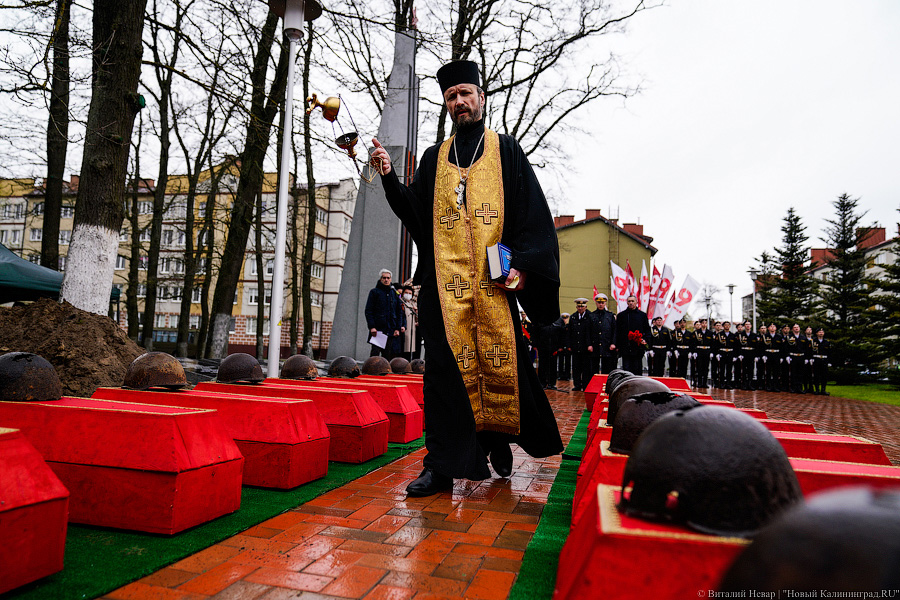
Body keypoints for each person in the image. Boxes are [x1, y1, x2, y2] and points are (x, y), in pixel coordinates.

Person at [371, 60, 563, 497]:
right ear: (446, 103)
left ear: (480, 97)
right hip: (445, 290)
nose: (459, 101)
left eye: (466, 93)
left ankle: (496, 439)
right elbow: (417, 215)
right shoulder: (437, 157)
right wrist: (388, 177)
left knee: (501, 367)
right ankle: (439, 467)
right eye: (451, 96)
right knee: (444, 378)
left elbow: (533, 216)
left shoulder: (506, 150)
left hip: (493, 289)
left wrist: (523, 264)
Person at [364, 269, 406, 359]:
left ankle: (384, 373)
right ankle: (372, 372)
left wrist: (397, 328)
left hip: (390, 329)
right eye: (384, 278)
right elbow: (369, 311)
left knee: (387, 356)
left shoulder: (394, 293)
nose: (386, 280)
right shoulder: (374, 292)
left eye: (388, 278)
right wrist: (372, 327)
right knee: (375, 355)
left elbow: (399, 312)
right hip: (378, 330)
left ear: (391, 279)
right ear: (380, 279)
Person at [615, 295, 650, 375]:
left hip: (638, 348)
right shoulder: (621, 316)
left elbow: (647, 330)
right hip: (625, 348)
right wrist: (617, 345)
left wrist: (645, 340)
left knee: (637, 369)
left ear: (636, 302)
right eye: (629, 301)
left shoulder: (642, 315)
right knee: (626, 369)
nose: (631, 303)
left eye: (632, 301)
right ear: (627, 302)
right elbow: (618, 332)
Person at [568, 298, 596, 391]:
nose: (580, 308)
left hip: (586, 347)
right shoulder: (573, 317)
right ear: (576, 307)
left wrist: (591, 344)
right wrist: (570, 345)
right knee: (576, 367)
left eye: (582, 306)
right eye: (579, 306)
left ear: (586, 307)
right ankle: (577, 384)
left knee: (586, 368)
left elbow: (593, 332)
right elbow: (570, 333)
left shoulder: (590, 316)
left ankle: (585, 385)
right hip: (576, 346)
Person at [591, 293, 617, 374]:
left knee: (607, 368)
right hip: (595, 346)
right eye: (599, 302)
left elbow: (614, 331)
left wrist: (613, 343)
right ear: (596, 303)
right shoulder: (592, 315)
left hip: (607, 346)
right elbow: (588, 331)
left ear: (605, 303)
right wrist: (589, 344)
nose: (601, 304)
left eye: (602, 303)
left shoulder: (610, 316)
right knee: (593, 368)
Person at [784, 323, 810, 393]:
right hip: (793, 357)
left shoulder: (803, 338)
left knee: (801, 373)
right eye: (795, 327)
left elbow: (807, 349)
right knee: (793, 373)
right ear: (792, 329)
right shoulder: (789, 337)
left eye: (797, 327)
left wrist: (807, 358)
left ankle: (800, 388)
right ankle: (793, 388)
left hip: (801, 357)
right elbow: (786, 348)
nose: (796, 328)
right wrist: (787, 356)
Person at [760, 322, 783, 391]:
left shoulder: (779, 336)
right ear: (768, 328)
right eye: (771, 326)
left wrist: (781, 356)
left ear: (776, 328)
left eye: (774, 326)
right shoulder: (764, 336)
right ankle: (768, 386)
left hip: (776, 355)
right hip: (768, 354)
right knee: (768, 371)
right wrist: (763, 355)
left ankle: (776, 386)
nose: (772, 327)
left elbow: (782, 347)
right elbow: (761, 347)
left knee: (776, 371)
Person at [400, 284, 419, 360]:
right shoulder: (401, 302)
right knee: (403, 348)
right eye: (406, 293)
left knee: (410, 348)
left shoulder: (412, 304)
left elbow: (417, 317)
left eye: (410, 293)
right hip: (403, 329)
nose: (408, 295)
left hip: (412, 330)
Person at [809, 327, 831, 395]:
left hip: (824, 360)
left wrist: (829, 361)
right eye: (819, 332)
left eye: (822, 332)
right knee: (816, 375)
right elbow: (810, 351)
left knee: (824, 376)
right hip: (816, 359)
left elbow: (829, 352)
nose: (821, 333)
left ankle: (823, 390)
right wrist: (810, 358)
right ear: (816, 333)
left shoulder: (827, 342)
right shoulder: (813, 341)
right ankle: (817, 390)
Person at [556, 313, 571, 380]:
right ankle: (560, 375)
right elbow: (558, 338)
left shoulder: (570, 327)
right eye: (563, 318)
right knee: (561, 362)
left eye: (566, 318)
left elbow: (571, 337)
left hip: (568, 347)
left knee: (568, 362)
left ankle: (567, 375)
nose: (565, 320)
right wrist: (559, 347)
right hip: (561, 347)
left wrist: (569, 346)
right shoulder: (559, 326)